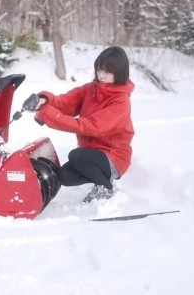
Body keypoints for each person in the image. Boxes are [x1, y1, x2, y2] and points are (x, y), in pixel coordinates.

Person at [31, 46, 135, 203]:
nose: (101, 75)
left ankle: (105, 188)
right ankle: (101, 181)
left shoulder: (120, 101)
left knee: (76, 156)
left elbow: (91, 127)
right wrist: (45, 100)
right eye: (99, 70)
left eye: (107, 72)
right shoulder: (91, 89)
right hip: (91, 155)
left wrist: (48, 115)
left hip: (114, 158)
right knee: (64, 176)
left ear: (119, 72)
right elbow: (66, 102)